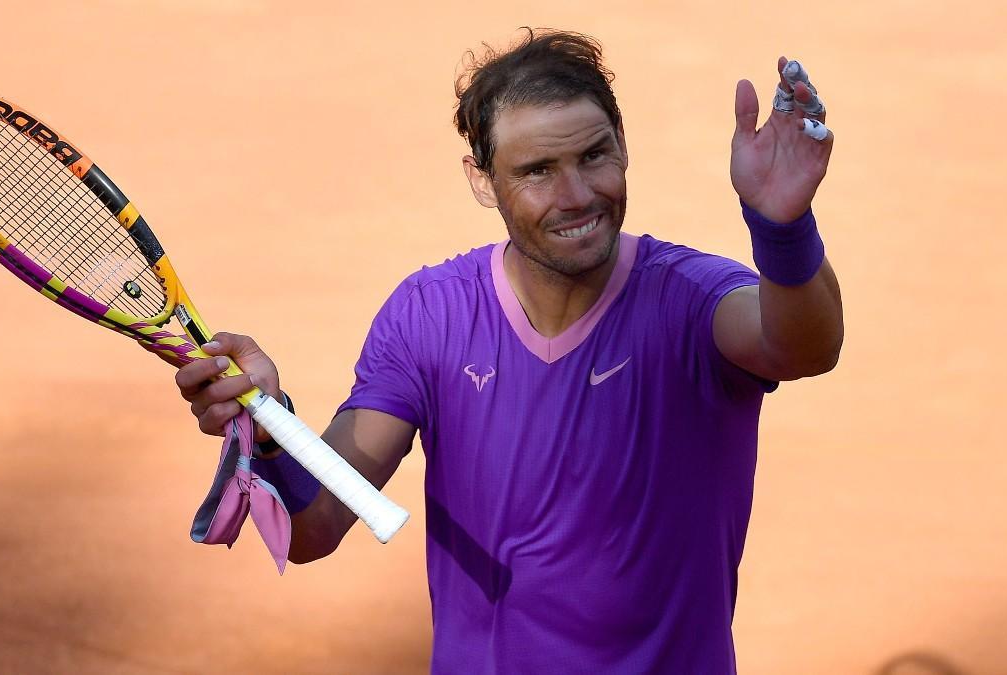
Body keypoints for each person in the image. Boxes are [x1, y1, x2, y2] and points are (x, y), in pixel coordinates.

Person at [174, 29, 842, 674]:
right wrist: (270, 425)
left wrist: (781, 229)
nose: (577, 195)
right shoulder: (429, 317)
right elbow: (316, 524)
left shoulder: (692, 300)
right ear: (482, 179)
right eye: (538, 171)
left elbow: (802, 345)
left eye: (594, 156)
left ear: (624, 146)